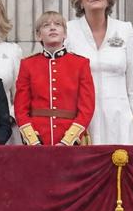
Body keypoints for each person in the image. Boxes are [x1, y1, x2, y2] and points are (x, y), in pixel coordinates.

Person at [64, 0, 133, 145]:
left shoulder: (125, 30)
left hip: (120, 119)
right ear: (80, 1)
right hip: (80, 121)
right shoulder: (68, 31)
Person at [14, 11, 93, 146]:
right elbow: (20, 108)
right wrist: (32, 139)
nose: (52, 27)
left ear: (65, 34)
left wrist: (68, 140)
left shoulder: (81, 64)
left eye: (57, 24)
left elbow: (87, 107)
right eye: (46, 25)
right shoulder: (28, 64)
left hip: (71, 138)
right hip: (38, 137)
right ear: (38, 35)